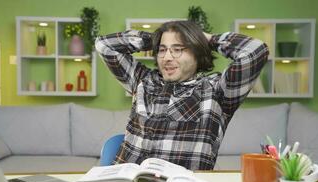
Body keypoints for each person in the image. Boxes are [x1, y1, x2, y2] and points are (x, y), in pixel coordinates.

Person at [95, 20, 269, 170]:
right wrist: (156, 39)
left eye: (178, 49)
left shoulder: (218, 90)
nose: (167, 58)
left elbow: (256, 51)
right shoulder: (142, 80)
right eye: (162, 50)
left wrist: (208, 39)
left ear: (197, 53)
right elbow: (104, 45)